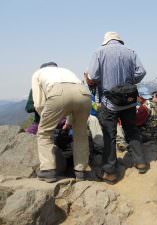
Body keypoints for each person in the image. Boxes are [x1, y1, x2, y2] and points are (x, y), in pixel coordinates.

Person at [85, 31, 147, 184]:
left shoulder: (99, 53)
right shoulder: (131, 52)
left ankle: (110, 172)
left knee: (109, 135)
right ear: (120, 41)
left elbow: (93, 77)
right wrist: (128, 82)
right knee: (132, 130)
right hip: (129, 101)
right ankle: (140, 163)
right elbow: (142, 72)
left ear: (106, 41)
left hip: (109, 101)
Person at [32, 62, 92, 182]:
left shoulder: (38, 73)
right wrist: (69, 122)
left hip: (57, 93)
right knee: (80, 134)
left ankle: (48, 170)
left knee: (44, 133)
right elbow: (73, 99)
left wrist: (47, 121)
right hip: (84, 93)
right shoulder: (66, 70)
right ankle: (81, 172)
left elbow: (39, 103)